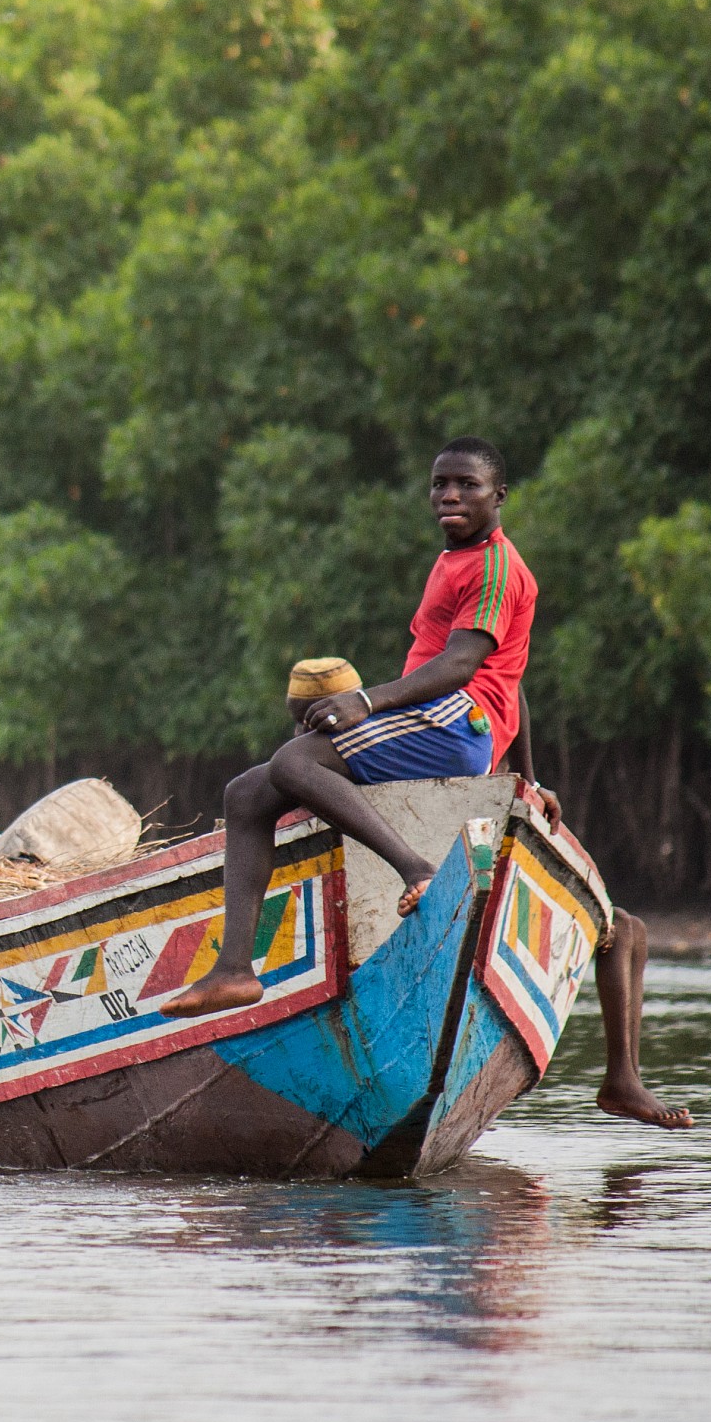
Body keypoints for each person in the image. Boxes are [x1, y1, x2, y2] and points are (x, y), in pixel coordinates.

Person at [166, 436, 554, 1018]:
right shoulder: (456, 560)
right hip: (442, 720)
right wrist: (527, 777)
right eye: (439, 484)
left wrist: (367, 701)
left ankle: (417, 870)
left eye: (467, 485)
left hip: (456, 723)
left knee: (296, 763)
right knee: (246, 795)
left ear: (498, 496)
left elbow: (461, 666)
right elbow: (515, 680)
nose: (449, 495)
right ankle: (234, 971)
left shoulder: (497, 565)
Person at [280, 659, 689, 1128]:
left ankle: (622, 1077)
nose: (305, 733)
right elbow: (511, 693)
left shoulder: (369, 746)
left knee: (625, 928)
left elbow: (510, 694)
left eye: (312, 721)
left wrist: (529, 782)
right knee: (622, 925)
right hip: (431, 883)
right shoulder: (331, 762)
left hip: (457, 871)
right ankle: (621, 1077)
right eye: (303, 724)